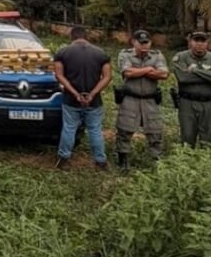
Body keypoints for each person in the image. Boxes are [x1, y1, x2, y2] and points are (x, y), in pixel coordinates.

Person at [53, 26, 112, 169]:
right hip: (94, 101)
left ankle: (63, 160)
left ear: (71, 37)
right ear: (86, 37)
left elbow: (59, 75)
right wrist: (92, 94)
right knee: (95, 130)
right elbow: (108, 76)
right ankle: (100, 161)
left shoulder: (62, 53)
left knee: (69, 128)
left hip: (71, 100)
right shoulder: (100, 53)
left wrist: (75, 93)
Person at [115, 29, 169, 169]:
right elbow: (127, 72)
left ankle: (157, 162)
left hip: (150, 99)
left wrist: (138, 71)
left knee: (155, 131)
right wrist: (148, 70)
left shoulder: (157, 55)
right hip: (130, 98)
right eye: (141, 42)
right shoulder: (125, 54)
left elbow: (164, 74)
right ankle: (124, 162)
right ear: (134, 42)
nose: (145, 45)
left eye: (147, 42)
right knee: (124, 130)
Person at [171, 31, 211, 146]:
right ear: (190, 42)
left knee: (209, 139)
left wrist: (195, 71)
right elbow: (183, 77)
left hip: (210, 103)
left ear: (207, 43)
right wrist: (209, 76)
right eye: (196, 40)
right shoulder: (181, 57)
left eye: (203, 41)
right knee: (187, 137)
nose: (199, 44)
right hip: (187, 102)